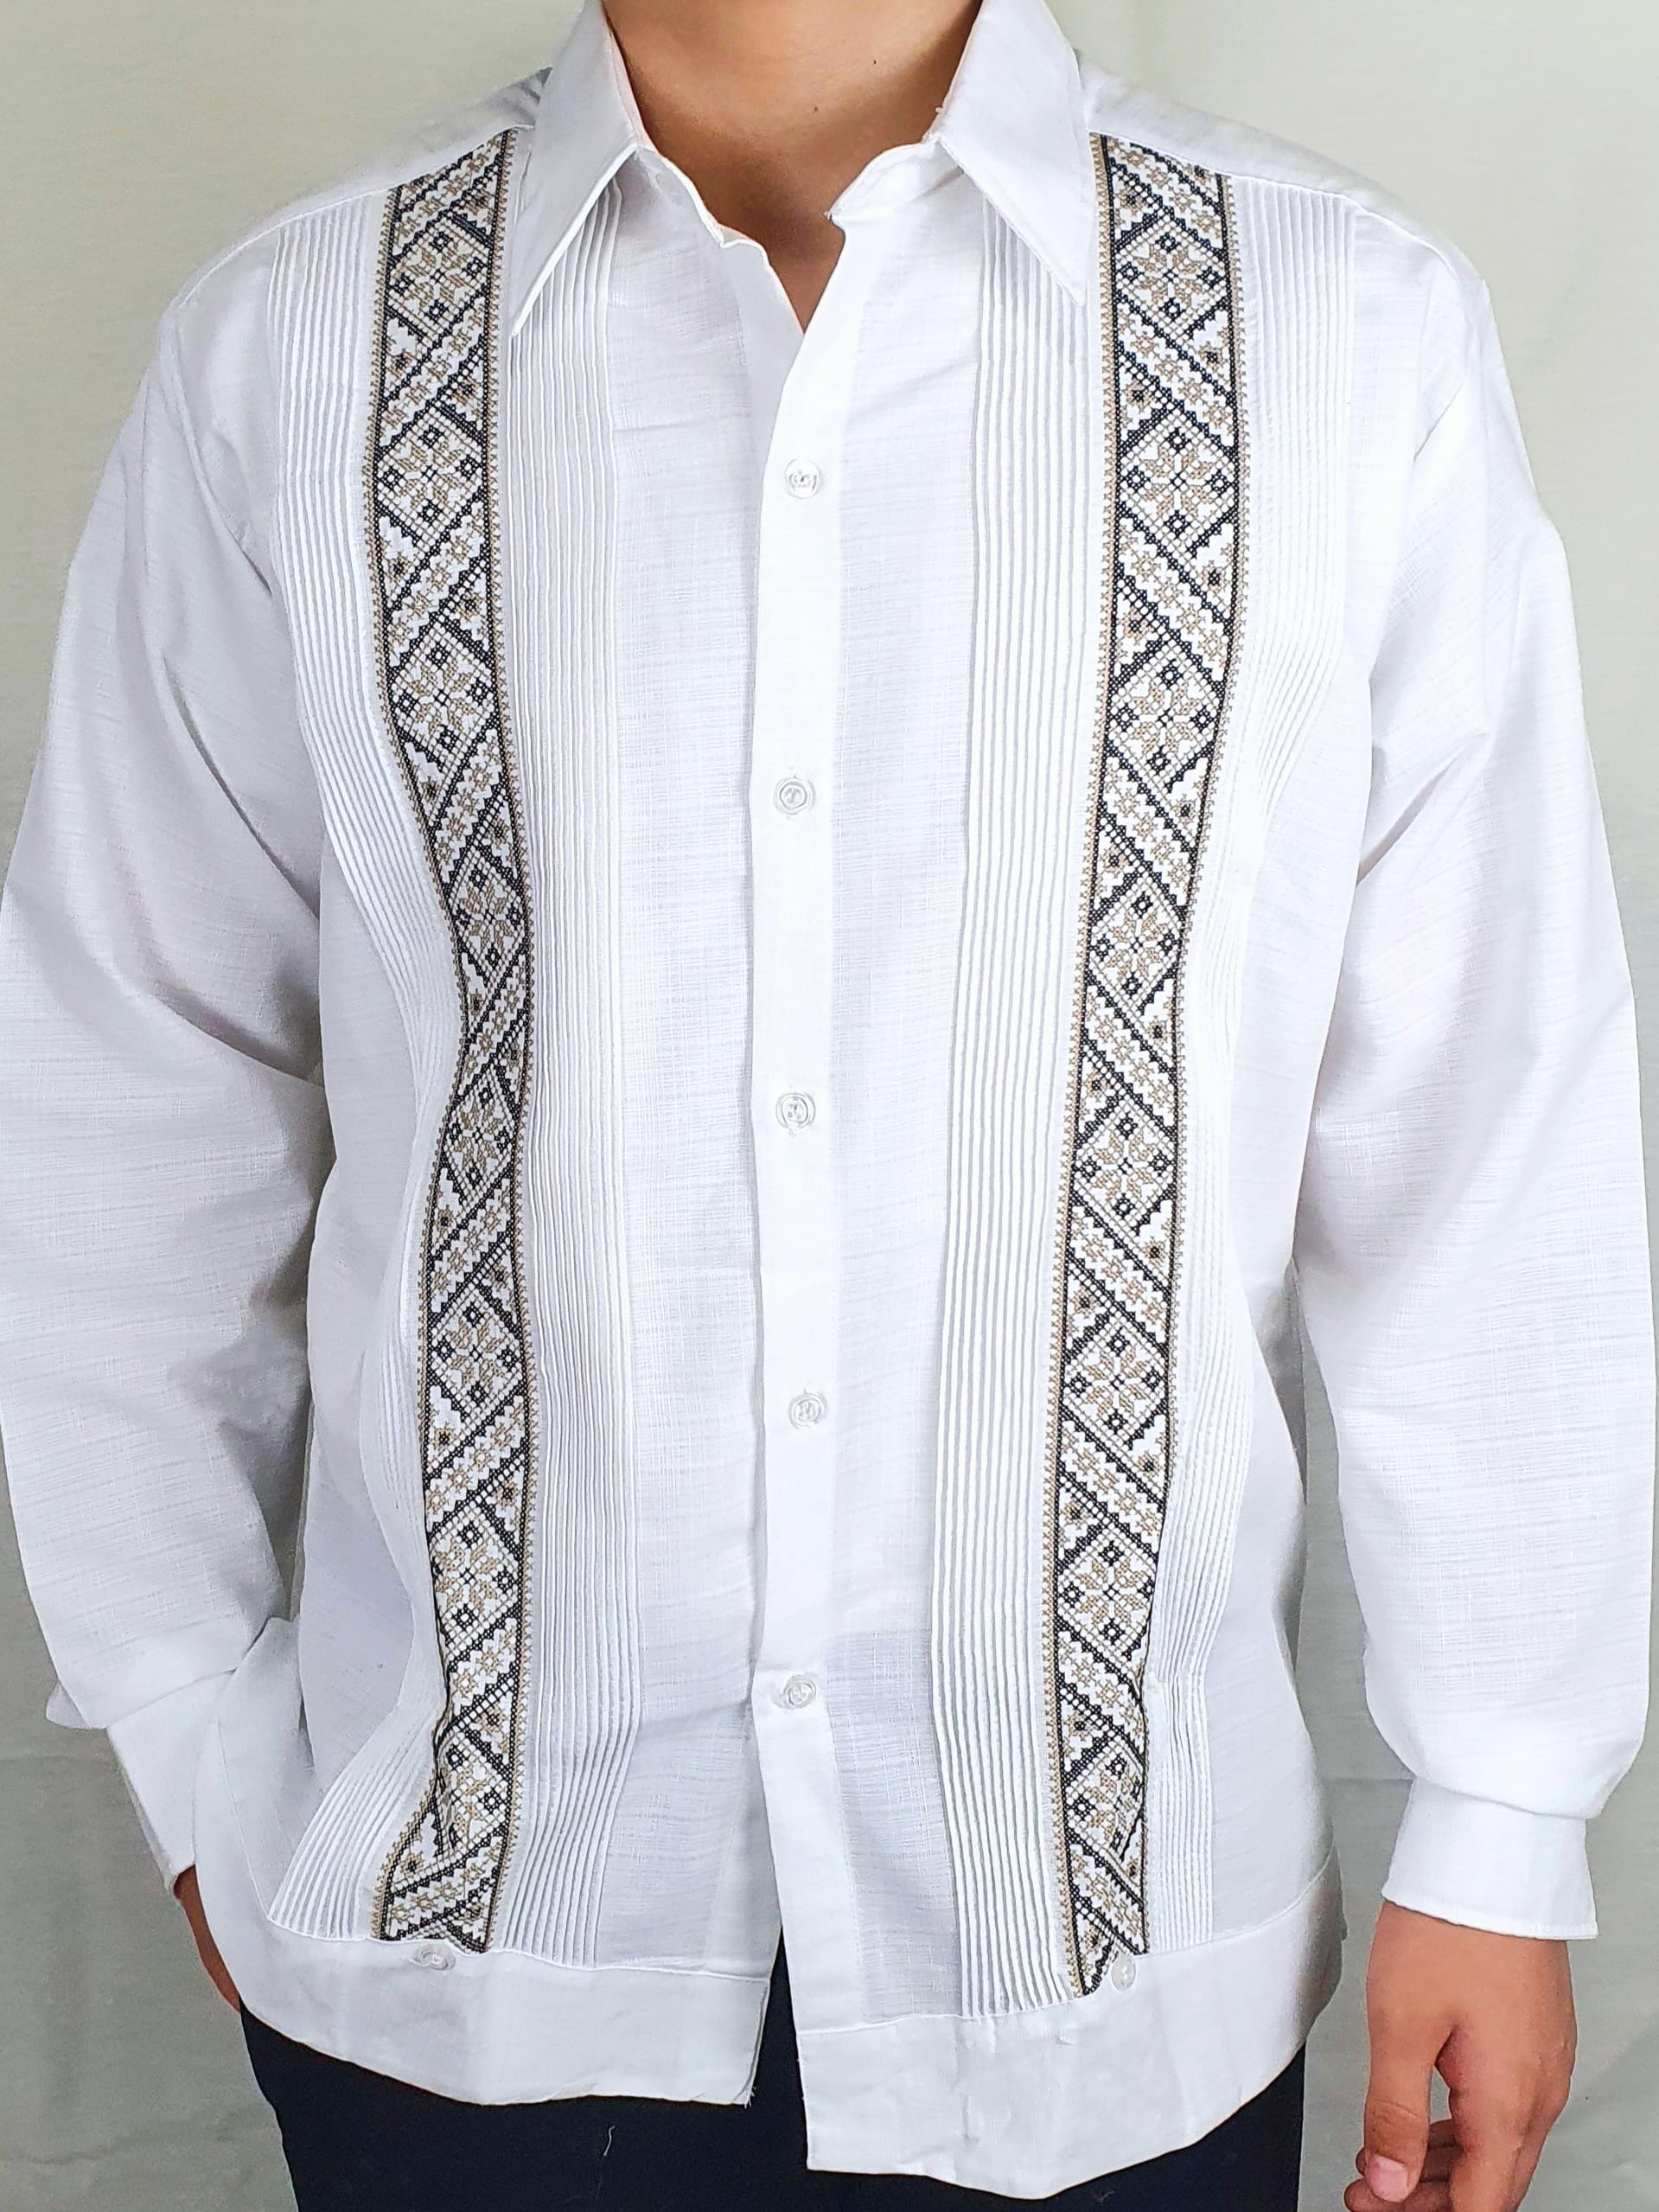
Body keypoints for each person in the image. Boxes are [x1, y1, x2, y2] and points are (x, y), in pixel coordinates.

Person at [0, 0, 1649, 2204]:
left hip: (1101, 1976)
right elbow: (131, 1076)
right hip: (473, 1956)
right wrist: (186, 1723)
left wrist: (1505, 1814)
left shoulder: (1342, 330)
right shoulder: (295, 343)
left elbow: (1482, 1134)